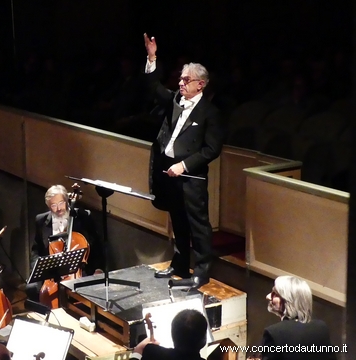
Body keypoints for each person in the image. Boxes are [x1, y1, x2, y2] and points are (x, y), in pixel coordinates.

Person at [143, 34, 225, 287]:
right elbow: (153, 88)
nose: (180, 82)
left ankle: (202, 271)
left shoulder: (210, 113)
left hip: (190, 178)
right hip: (168, 173)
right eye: (180, 78)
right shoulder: (176, 100)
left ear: (200, 85)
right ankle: (180, 264)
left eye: (185, 80)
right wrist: (152, 57)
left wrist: (184, 165)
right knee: (177, 220)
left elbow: (212, 149)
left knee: (198, 225)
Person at [26, 185, 104, 303]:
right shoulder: (40, 220)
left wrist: (98, 268)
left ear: (67, 201)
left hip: (78, 268)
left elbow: (97, 245)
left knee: (82, 288)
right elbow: (36, 249)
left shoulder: (83, 217)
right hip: (52, 271)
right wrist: (37, 270)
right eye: (53, 205)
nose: (58, 209)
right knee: (31, 288)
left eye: (61, 203)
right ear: (48, 206)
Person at [260, 276, 336, 360]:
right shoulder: (321, 328)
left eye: (275, 294)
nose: (268, 296)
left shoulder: (273, 333)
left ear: (288, 301)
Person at [129, 309, 208, 360]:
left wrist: (138, 350)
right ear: (204, 341)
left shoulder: (152, 352)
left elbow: (139, 353)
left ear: (172, 335)